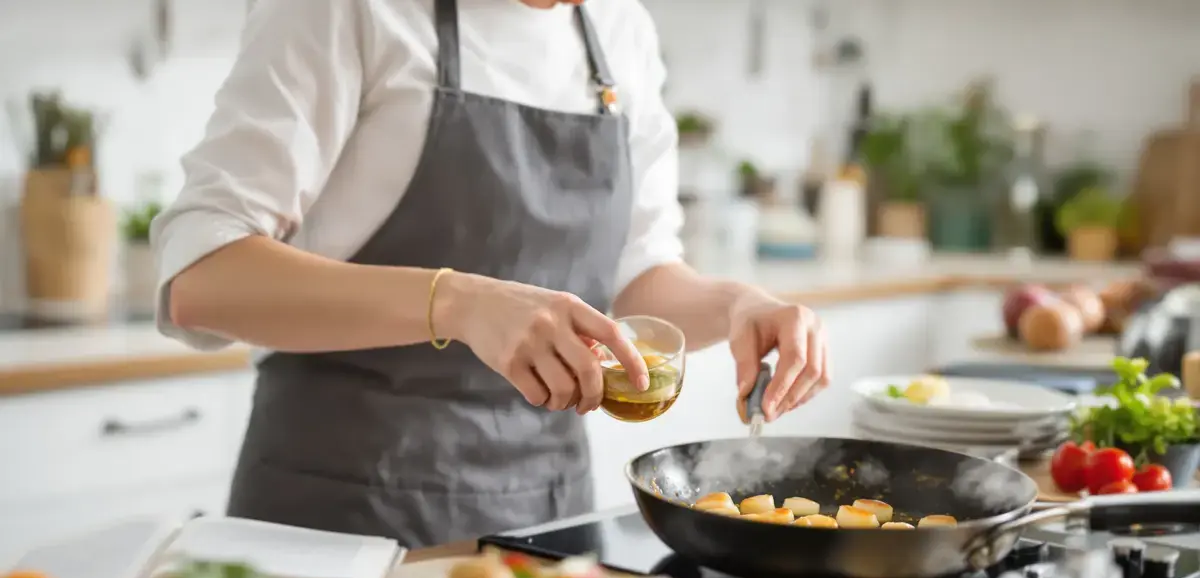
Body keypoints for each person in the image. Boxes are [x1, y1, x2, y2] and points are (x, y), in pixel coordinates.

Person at [152, 0, 830, 548]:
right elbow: (203, 277)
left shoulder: (619, 28)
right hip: (341, 515)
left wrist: (739, 306)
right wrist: (458, 301)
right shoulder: (345, 10)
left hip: (544, 518)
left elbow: (635, 276)